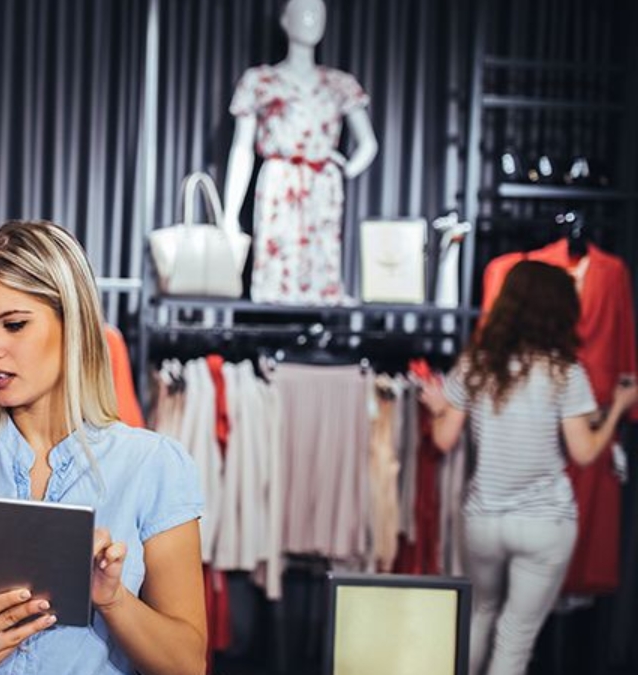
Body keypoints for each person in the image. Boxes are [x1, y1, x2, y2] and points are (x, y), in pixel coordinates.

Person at [0, 220, 206, 675]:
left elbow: (187, 665)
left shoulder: (154, 466)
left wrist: (113, 600)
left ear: (70, 324)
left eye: (13, 325)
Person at [421, 260, 637, 675]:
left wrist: (436, 409)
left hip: (485, 518)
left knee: (477, 615)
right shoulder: (565, 372)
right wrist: (618, 411)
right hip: (544, 522)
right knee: (515, 636)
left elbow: (443, 440)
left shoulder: (477, 364)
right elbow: (586, 452)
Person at [223, 0, 378, 306]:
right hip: (279, 181)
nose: (310, 19)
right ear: (284, 20)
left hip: (322, 183)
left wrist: (343, 169)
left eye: (317, 12)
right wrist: (229, 217)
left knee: (320, 265)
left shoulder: (339, 84)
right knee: (276, 276)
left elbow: (369, 143)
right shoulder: (260, 81)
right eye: (302, 11)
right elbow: (242, 148)